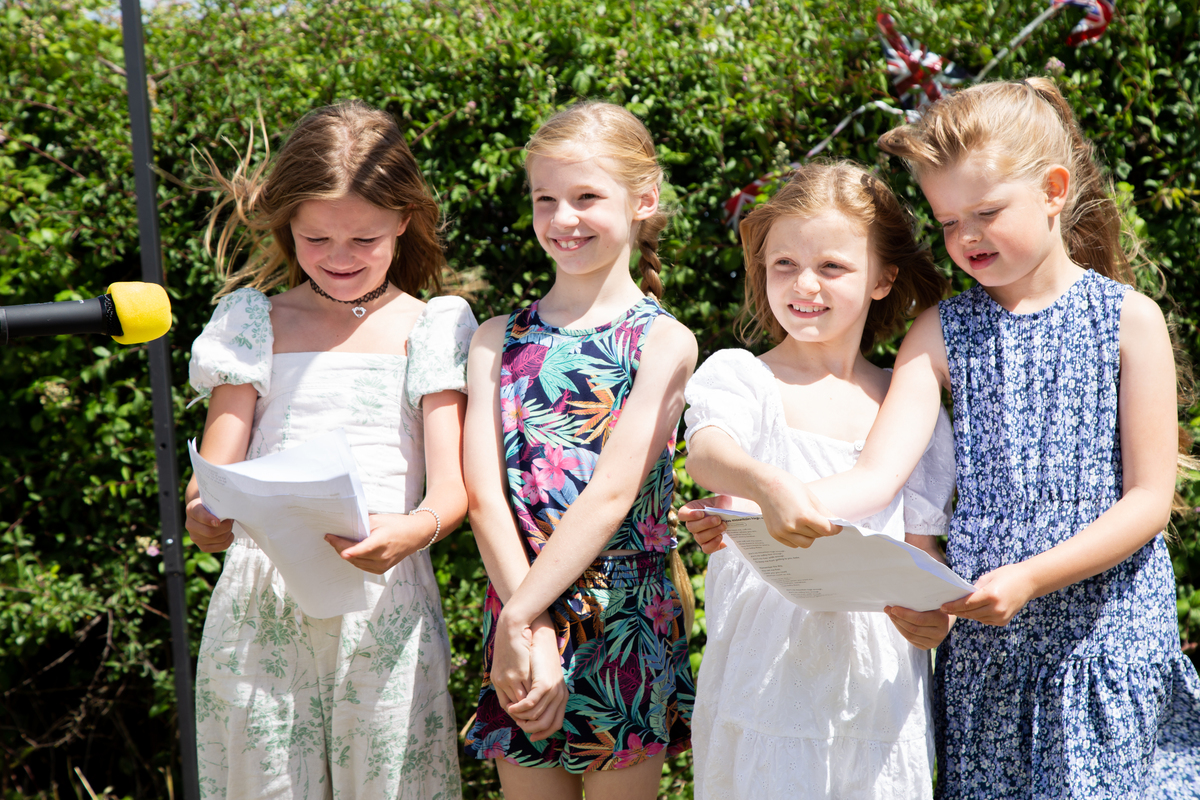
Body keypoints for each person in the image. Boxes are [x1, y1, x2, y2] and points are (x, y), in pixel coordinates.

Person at [710, 78, 1200, 797]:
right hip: (987, 654)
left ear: (1054, 190)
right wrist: (755, 512)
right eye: (946, 222)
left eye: (986, 213)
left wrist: (1032, 578)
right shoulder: (940, 331)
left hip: (1107, 637)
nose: (965, 237)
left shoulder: (1130, 320)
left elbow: (1149, 501)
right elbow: (875, 478)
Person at [183, 100, 476, 800]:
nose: (340, 260)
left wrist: (411, 532)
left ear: (404, 220)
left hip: (384, 602)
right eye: (317, 240)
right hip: (262, 609)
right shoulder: (254, 321)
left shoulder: (434, 326)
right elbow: (213, 482)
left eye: (365, 240)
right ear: (288, 226)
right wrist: (205, 515)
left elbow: (452, 492)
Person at [678, 161, 955, 798]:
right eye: (784, 265)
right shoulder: (745, 377)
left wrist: (932, 619)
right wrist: (763, 483)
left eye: (832, 267)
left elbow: (921, 547)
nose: (805, 284)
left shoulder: (903, 399)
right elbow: (709, 452)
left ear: (883, 278)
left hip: (876, 686)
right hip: (766, 669)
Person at [461, 101, 697, 799]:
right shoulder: (493, 338)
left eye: (587, 197)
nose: (563, 219)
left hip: (624, 618)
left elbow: (613, 495)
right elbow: (483, 495)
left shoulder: (664, 341)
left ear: (643, 199)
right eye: (546, 200)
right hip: (516, 603)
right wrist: (523, 627)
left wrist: (522, 617)